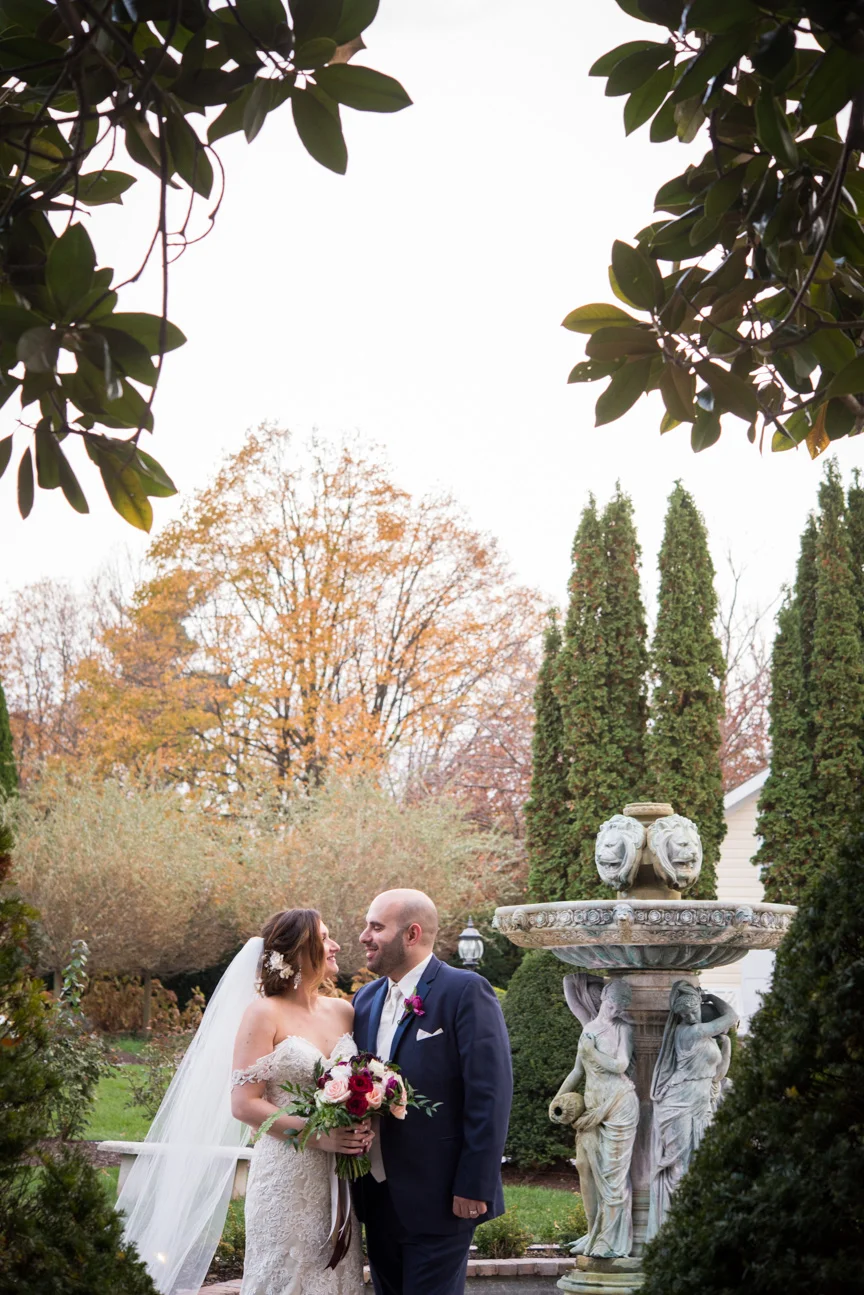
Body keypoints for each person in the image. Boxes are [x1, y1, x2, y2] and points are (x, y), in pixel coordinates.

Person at [117, 908, 370, 1295]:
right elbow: (244, 1105)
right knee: (284, 1277)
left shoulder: (344, 1012)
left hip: (336, 1176)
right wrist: (319, 1136)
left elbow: (362, 1082)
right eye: (324, 937)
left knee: (335, 1278)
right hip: (287, 1170)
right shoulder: (263, 1013)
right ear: (300, 950)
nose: (335, 945)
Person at [351, 888, 512, 1295]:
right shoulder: (365, 1000)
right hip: (376, 1195)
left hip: (442, 1195)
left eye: (375, 927)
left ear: (411, 934)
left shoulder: (465, 991)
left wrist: (474, 1184)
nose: (363, 937)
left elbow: (489, 1094)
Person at [552, 977, 639, 1258]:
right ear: (604, 997)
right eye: (612, 1004)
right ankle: (594, 1232)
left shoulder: (623, 1028)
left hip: (619, 1105)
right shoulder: (589, 1028)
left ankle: (612, 1241)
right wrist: (557, 1097)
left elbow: (621, 1065)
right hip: (592, 1111)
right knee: (587, 1169)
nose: (614, 1011)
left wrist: (593, 1052)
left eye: (619, 1007)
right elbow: (578, 1071)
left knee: (613, 1177)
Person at [646, 982, 738, 1239]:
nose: (689, 1016)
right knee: (681, 1165)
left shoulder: (704, 1037)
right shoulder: (689, 1033)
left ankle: (693, 1222)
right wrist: (711, 997)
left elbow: (716, 1075)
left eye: (693, 1010)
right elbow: (731, 1017)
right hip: (679, 1102)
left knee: (698, 1162)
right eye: (683, 1014)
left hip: (700, 1102)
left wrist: (727, 1046)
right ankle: (675, 1227)